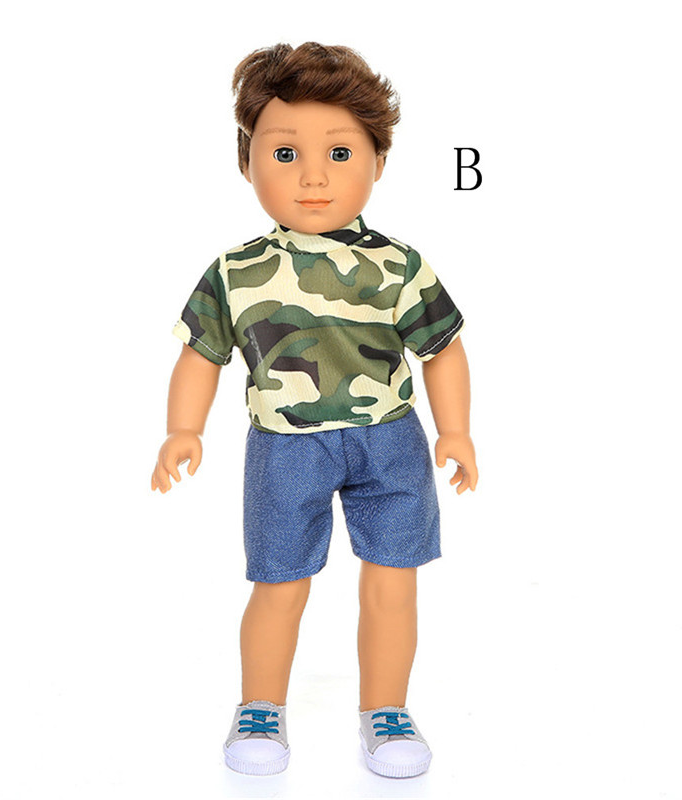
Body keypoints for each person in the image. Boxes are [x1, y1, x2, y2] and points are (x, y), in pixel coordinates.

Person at [151, 41, 478, 779]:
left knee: (393, 580)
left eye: (338, 152)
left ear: (378, 163)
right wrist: (182, 429)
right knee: (278, 583)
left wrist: (455, 430)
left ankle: (386, 711)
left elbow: (443, 348)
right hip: (285, 446)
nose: (312, 176)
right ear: (246, 163)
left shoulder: (398, 266)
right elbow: (200, 353)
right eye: (284, 152)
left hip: (389, 441)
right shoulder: (236, 271)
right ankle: (259, 707)